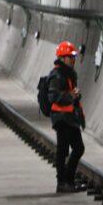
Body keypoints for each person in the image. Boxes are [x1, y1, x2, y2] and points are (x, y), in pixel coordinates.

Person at [38, 41, 85, 193]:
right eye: (70, 57)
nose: (73, 60)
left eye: (73, 57)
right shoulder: (57, 75)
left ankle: (68, 181)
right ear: (62, 58)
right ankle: (62, 182)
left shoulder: (69, 73)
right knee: (63, 151)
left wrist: (75, 96)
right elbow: (53, 96)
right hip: (61, 118)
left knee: (78, 148)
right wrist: (71, 95)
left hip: (70, 117)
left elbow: (69, 94)